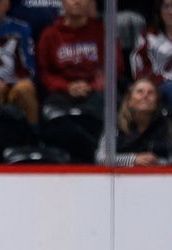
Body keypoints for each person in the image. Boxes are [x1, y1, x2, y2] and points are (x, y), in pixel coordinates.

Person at [36, 0, 123, 162]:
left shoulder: (102, 31)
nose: (76, 1)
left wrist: (92, 86)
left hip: (95, 92)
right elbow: (44, 72)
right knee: (53, 113)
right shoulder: (50, 34)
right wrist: (66, 86)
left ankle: (98, 157)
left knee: (109, 105)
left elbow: (115, 66)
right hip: (62, 93)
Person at [95, 78, 172, 166]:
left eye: (150, 93)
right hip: (120, 177)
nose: (145, 96)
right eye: (140, 91)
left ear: (156, 103)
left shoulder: (164, 125)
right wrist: (133, 159)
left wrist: (156, 162)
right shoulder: (115, 125)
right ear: (129, 101)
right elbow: (101, 158)